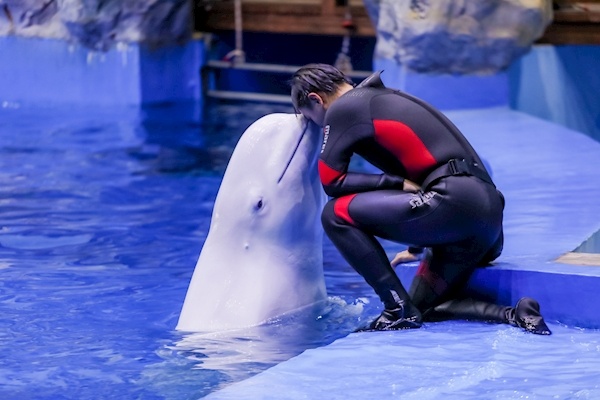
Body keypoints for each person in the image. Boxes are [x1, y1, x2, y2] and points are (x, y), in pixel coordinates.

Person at [289, 63, 551, 335]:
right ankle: (516, 314)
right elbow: (419, 166)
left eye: (311, 118)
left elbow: (332, 181)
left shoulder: (344, 107)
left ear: (316, 99)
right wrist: (415, 249)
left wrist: (394, 183)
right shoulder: (381, 98)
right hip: (487, 222)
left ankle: (395, 309)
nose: (318, 125)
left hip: (452, 204)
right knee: (423, 309)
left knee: (335, 214)